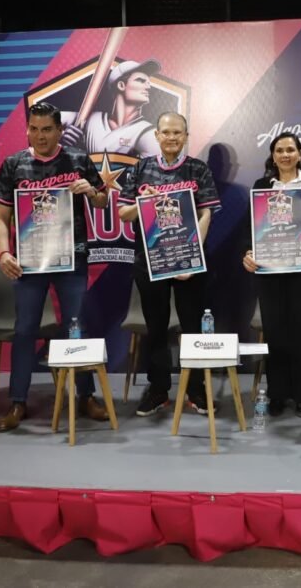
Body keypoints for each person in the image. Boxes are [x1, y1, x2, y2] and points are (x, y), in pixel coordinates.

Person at [0, 101, 111, 432]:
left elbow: (103, 201)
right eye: (34, 129)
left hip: (72, 257)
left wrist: (92, 192)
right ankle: (18, 401)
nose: (40, 136)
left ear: (59, 130)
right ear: (27, 129)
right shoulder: (14, 163)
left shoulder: (77, 159)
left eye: (47, 129)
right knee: (25, 329)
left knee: (76, 326)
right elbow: (0, 216)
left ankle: (86, 396)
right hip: (29, 260)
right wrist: (4, 253)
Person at [118, 112, 222, 417]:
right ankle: (158, 389)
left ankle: (196, 389)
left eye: (178, 132)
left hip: (189, 260)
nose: (172, 137)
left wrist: (191, 255)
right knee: (156, 327)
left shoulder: (197, 169)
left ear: (186, 136)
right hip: (150, 260)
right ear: (157, 136)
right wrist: (145, 203)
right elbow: (123, 214)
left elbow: (206, 214)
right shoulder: (141, 168)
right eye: (166, 132)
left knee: (192, 326)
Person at [242, 132, 301, 418]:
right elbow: (250, 228)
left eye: (290, 150)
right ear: (273, 155)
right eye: (279, 150)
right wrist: (248, 253)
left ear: (300, 154)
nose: (285, 155)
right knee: (275, 335)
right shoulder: (261, 186)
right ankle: (278, 395)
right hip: (270, 273)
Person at [61, 59, 162, 158]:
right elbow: (52, 118)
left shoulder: (147, 133)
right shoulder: (90, 118)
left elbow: (157, 165)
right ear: (121, 85)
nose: (148, 87)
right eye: (141, 81)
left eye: (148, 83)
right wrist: (60, 139)